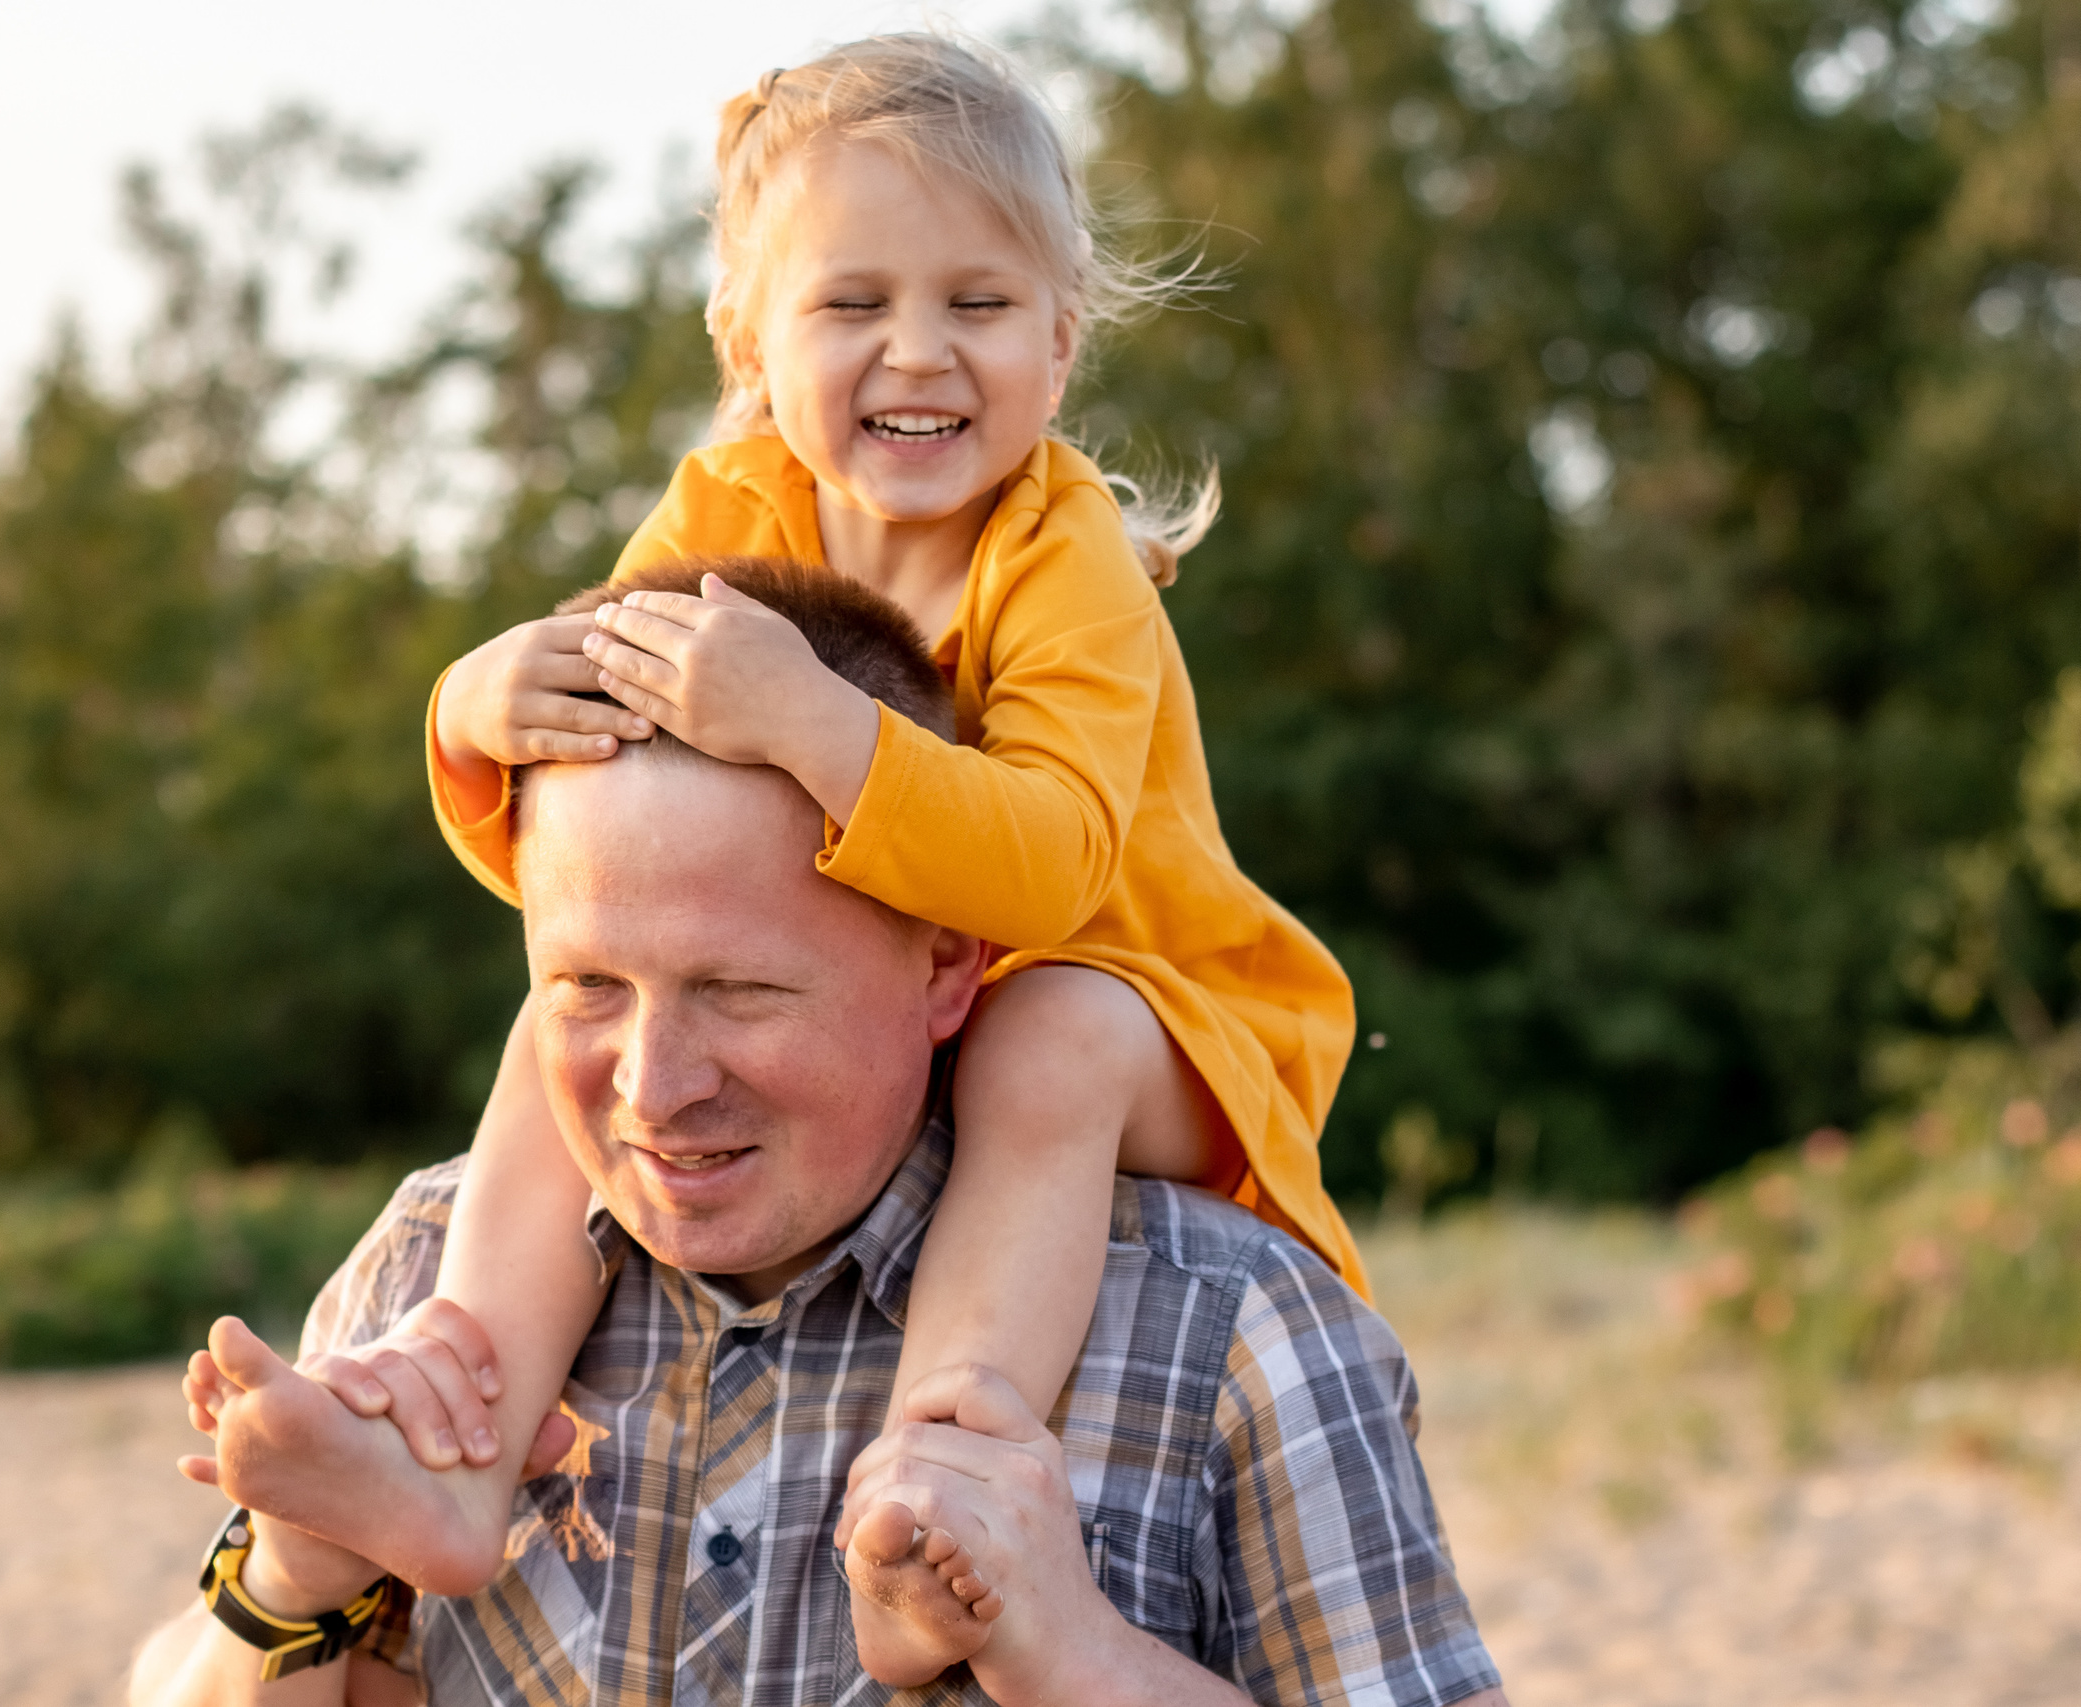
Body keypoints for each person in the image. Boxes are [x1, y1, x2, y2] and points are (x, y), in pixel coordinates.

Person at [362, 33, 1367, 1682]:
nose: (921, 352)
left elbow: (1046, 875)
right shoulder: (722, 503)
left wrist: (815, 721)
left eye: (979, 305)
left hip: (1145, 1006)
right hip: (883, 995)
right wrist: (478, 712)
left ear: (1061, 338)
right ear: (749, 339)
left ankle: (937, 1478)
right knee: (586, 1012)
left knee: (1044, 1038)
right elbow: (607, 859)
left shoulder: (1068, 561)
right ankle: (462, 1418)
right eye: (853, 305)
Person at [129, 560, 1505, 1706]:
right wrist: (287, 1583)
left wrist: (1073, 1648)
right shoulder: (431, 1270)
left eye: (742, 993)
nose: (655, 1087)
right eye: (587, 988)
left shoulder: (1234, 1328)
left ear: (949, 966)